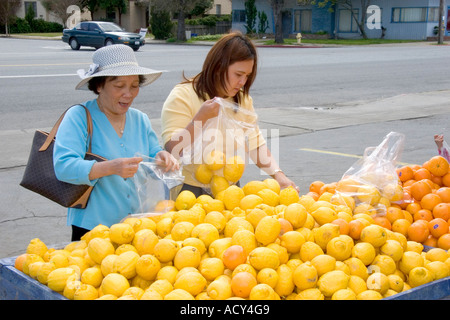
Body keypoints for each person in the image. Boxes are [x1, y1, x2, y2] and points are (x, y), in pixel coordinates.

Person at [53, 44, 179, 241]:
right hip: (93, 230)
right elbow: (64, 166)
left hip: (136, 225)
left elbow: (153, 151)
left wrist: (162, 156)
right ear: (99, 85)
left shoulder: (140, 119)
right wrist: (110, 167)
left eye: (135, 86)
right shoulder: (79, 117)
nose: (128, 94)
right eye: (119, 86)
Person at [161, 31, 298, 197]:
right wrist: (200, 119)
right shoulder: (183, 95)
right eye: (238, 75)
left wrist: (279, 175)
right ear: (219, 67)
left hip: (229, 190)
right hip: (189, 190)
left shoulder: (242, 100)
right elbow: (173, 149)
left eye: (247, 76)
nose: (242, 82)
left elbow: (255, 144)